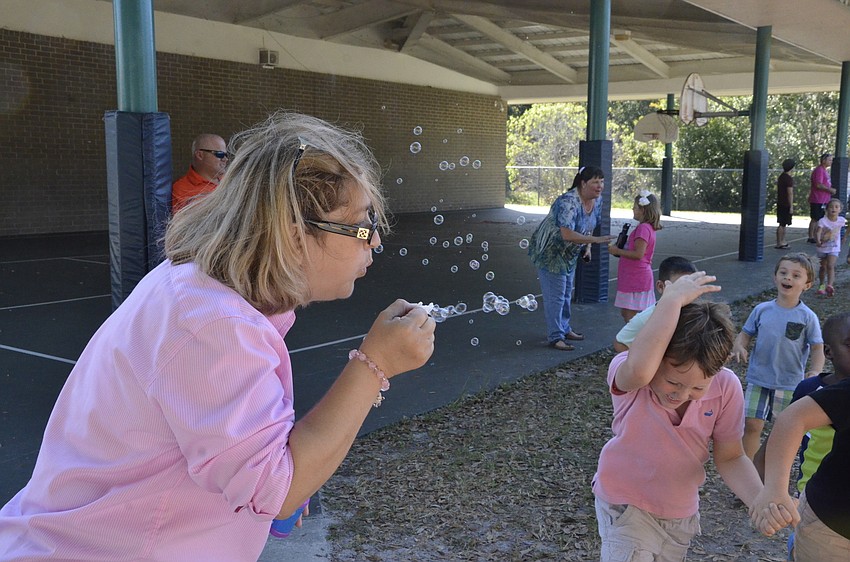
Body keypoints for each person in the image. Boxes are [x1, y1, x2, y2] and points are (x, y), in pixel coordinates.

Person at [0, 112, 437, 561]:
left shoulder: (199, 289)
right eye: (363, 225)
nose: (376, 242)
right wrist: (374, 366)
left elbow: (235, 458)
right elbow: (277, 489)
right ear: (293, 233)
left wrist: (275, 474)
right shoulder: (214, 326)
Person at [593, 272, 771, 561]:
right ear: (657, 353)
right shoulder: (631, 372)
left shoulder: (726, 387)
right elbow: (640, 370)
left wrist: (759, 500)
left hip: (680, 514)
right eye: (674, 382)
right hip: (626, 507)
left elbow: (731, 457)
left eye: (698, 387)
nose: (681, 394)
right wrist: (671, 300)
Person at [750, 311, 850, 561]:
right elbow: (788, 424)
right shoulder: (811, 389)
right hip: (827, 520)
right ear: (829, 351)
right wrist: (770, 490)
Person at [731, 252, 825, 460]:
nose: (788, 278)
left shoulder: (808, 317)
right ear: (775, 277)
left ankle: (772, 471)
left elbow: (817, 347)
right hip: (759, 378)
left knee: (782, 430)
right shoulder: (762, 310)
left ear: (807, 285)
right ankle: (751, 472)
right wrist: (739, 346)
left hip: (789, 382)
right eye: (783, 272)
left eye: (795, 275)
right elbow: (745, 334)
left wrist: (815, 371)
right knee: (752, 424)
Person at [527, 166, 615, 351]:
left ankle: (565, 329)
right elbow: (566, 233)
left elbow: (589, 225)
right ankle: (555, 336)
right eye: (595, 182)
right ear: (583, 183)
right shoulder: (568, 202)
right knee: (556, 296)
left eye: (602, 181)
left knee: (567, 292)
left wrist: (588, 247)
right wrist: (595, 240)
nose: (600, 186)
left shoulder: (596, 201)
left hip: (570, 252)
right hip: (550, 250)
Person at [612, 256, 697, 352]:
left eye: (691, 286)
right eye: (678, 287)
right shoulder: (648, 317)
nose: (685, 292)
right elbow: (620, 343)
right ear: (661, 287)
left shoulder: (699, 312)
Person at [608, 190, 663, 322]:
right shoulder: (646, 228)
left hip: (636, 278)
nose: (632, 209)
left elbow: (639, 254)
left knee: (631, 317)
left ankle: (634, 342)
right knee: (628, 314)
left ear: (643, 209)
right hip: (633, 277)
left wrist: (617, 251)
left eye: (635, 207)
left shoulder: (643, 229)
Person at [172, 133, 229, 212]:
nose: (225, 159)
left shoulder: (231, 180)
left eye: (226, 155)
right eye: (220, 154)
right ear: (200, 155)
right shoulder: (182, 189)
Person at [814, 198, 845, 296]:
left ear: (840, 210)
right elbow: (818, 232)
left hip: (834, 248)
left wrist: (845, 237)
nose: (834, 209)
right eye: (831, 207)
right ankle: (822, 285)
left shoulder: (841, 220)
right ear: (827, 209)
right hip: (822, 247)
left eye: (836, 207)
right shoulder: (823, 221)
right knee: (822, 267)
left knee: (830, 266)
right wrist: (818, 241)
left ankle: (830, 286)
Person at [807, 153, 835, 243]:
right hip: (818, 199)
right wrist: (829, 189)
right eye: (829, 160)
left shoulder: (825, 171)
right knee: (815, 218)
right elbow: (818, 184)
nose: (831, 162)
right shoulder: (819, 170)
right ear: (824, 161)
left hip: (824, 199)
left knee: (821, 218)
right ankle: (811, 236)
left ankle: (818, 235)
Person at [776, 158, 795, 249]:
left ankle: (782, 241)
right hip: (785, 204)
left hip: (780, 202)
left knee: (782, 223)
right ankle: (780, 242)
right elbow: (790, 193)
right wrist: (791, 206)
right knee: (782, 224)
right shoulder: (788, 179)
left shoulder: (781, 177)